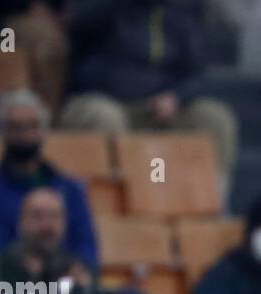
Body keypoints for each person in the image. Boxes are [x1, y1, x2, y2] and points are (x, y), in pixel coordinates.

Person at [59, 0, 239, 187]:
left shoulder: (178, 15)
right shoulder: (100, 9)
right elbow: (77, 27)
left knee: (214, 117)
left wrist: (177, 97)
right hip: (101, 100)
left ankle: (211, 199)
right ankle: (111, 198)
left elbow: (196, 73)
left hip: (157, 108)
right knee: (104, 116)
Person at [0, 90, 99, 270]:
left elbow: (87, 249)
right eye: (16, 127)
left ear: (44, 131)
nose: (25, 135)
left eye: (32, 126)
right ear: (1, 133)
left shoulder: (70, 189)